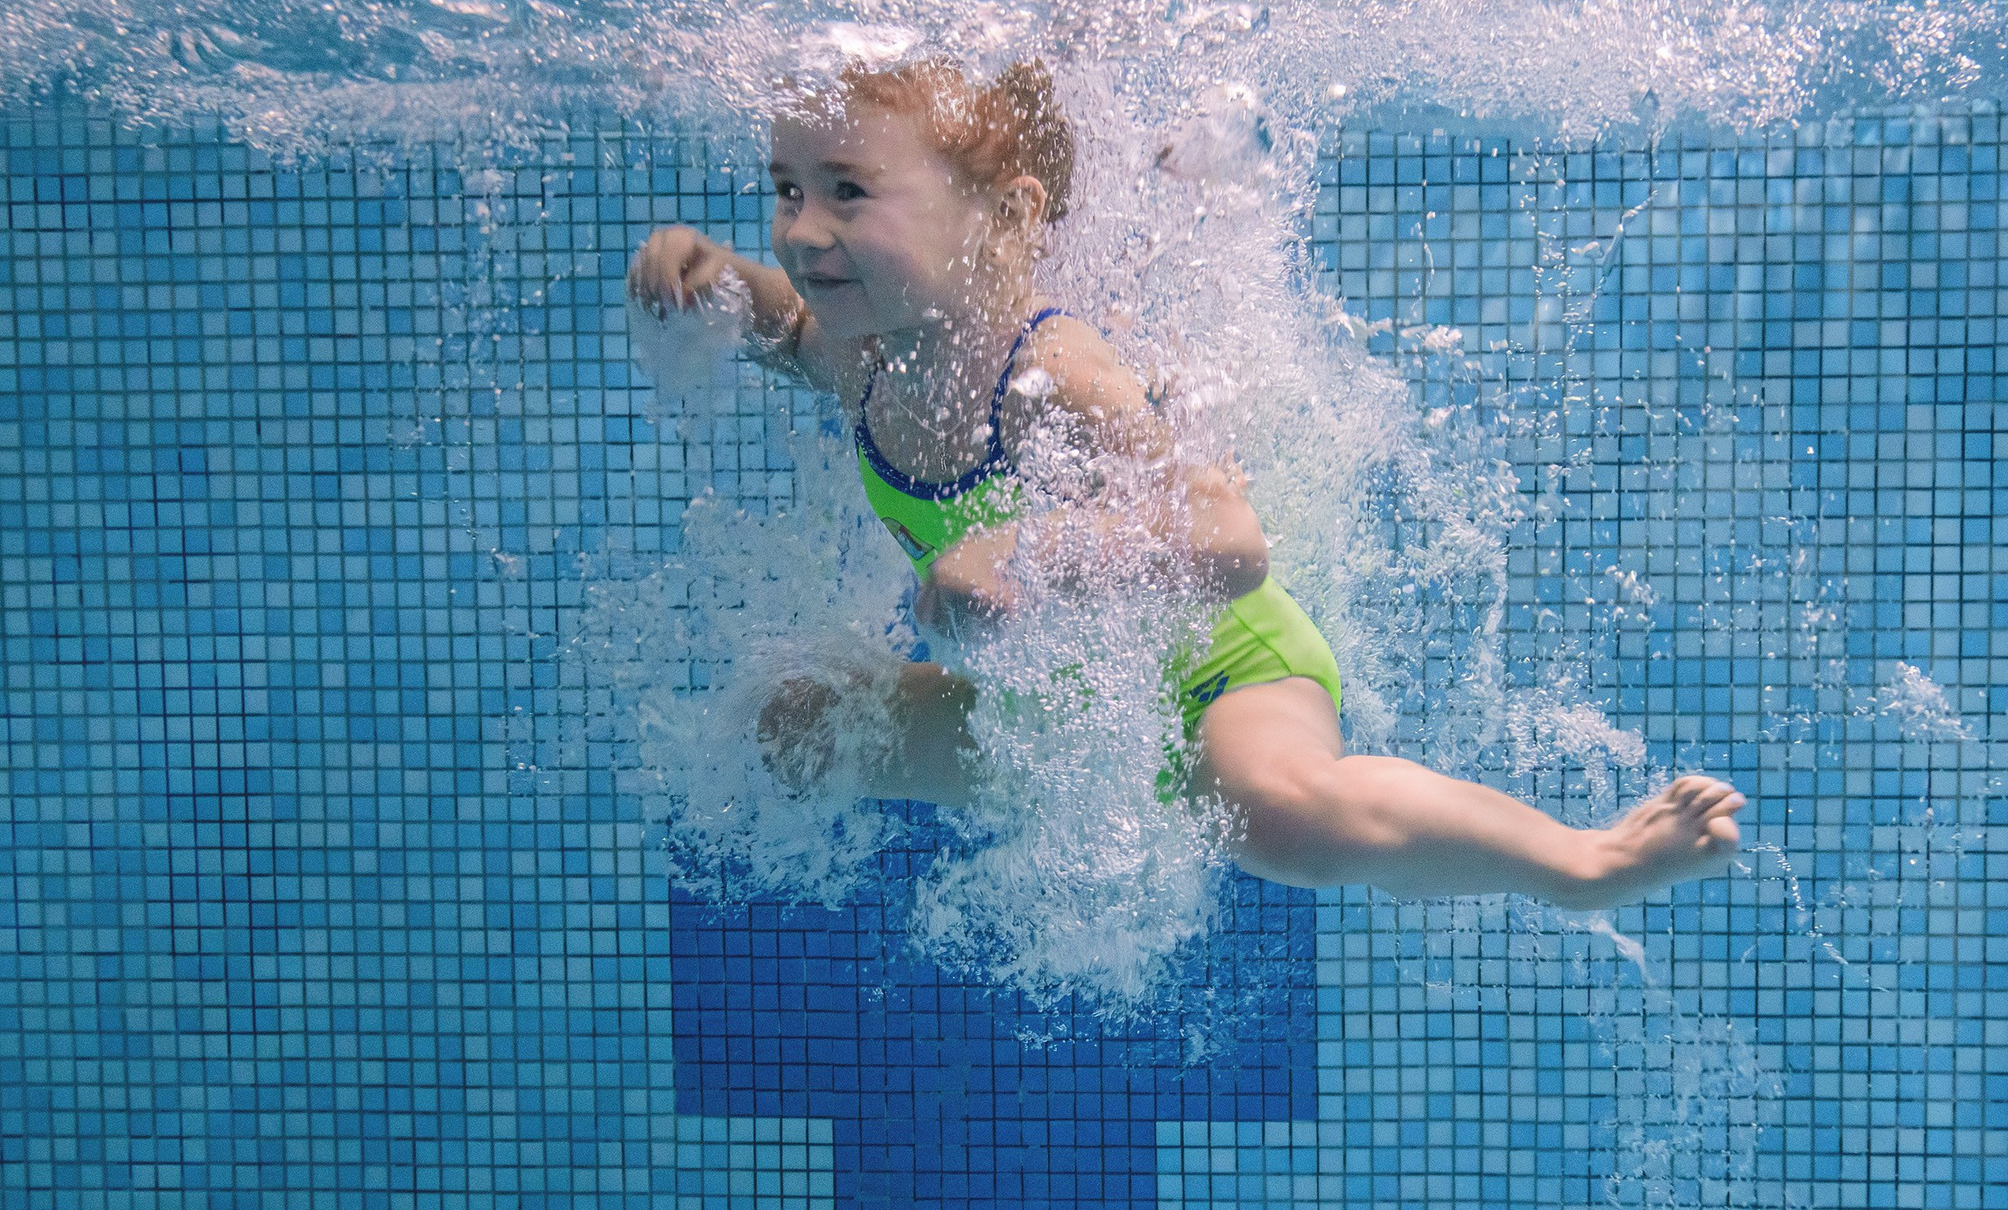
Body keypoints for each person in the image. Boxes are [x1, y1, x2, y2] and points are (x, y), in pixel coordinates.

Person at [627, 57, 1743, 907]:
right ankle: (1100, 803)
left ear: (1005, 215)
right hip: (1064, 711)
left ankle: (1581, 860)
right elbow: (782, 323)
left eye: (847, 191)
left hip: (1229, 673)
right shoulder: (860, 349)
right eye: (784, 189)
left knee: (1272, 816)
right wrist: (715, 279)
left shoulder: (1052, 372)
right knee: (792, 727)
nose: (802, 229)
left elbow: (1226, 544)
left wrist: (1033, 554)